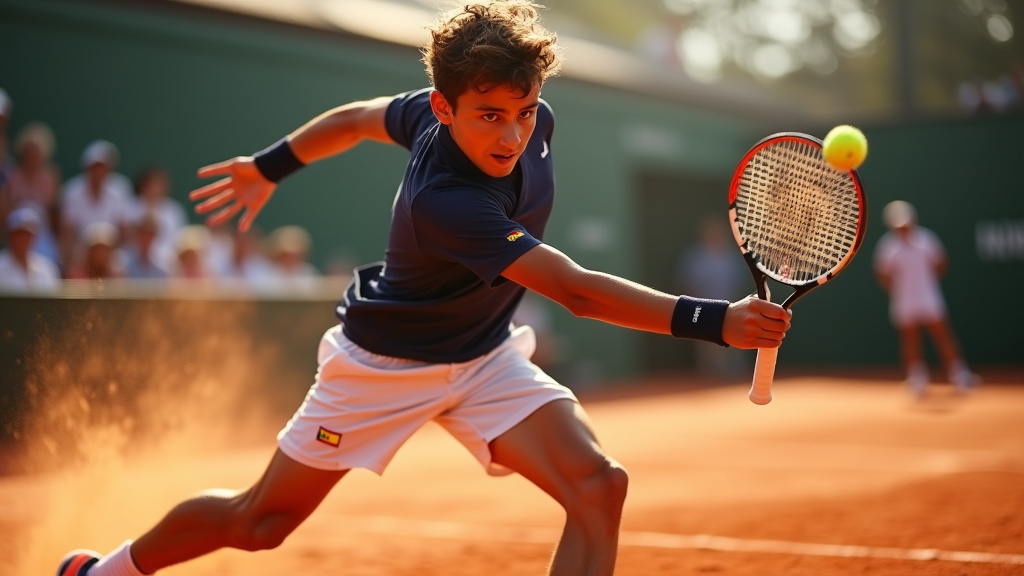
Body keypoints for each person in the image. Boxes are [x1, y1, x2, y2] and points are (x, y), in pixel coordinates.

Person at [56, 3, 791, 576]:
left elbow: (352, 122)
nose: (511, 136)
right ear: (444, 108)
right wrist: (714, 321)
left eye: (524, 111)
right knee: (259, 523)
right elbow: (576, 292)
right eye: (490, 117)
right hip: (382, 366)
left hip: (482, 355)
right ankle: (103, 570)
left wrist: (270, 166)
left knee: (599, 486)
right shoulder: (448, 202)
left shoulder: (523, 118)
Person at [873, 200, 979, 399]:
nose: (903, 229)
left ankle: (960, 375)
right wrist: (898, 290)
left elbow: (940, 263)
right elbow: (883, 274)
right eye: (899, 226)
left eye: (905, 224)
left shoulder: (926, 240)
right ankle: (917, 380)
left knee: (942, 334)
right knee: (910, 338)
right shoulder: (887, 247)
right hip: (904, 300)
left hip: (928, 297)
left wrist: (926, 284)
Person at [59, 139, 134, 266]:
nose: (99, 172)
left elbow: (125, 230)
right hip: (81, 256)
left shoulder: (121, 188)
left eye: (103, 167)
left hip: (112, 255)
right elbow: (67, 233)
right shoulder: (71, 192)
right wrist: (71, 262)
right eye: (95, 167)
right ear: (87, 168)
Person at [0, 206, 61, 293]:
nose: (23, 239)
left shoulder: (47, 267)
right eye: (18, 234)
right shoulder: (1, 265)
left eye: (27, 235)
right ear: (9, 236)